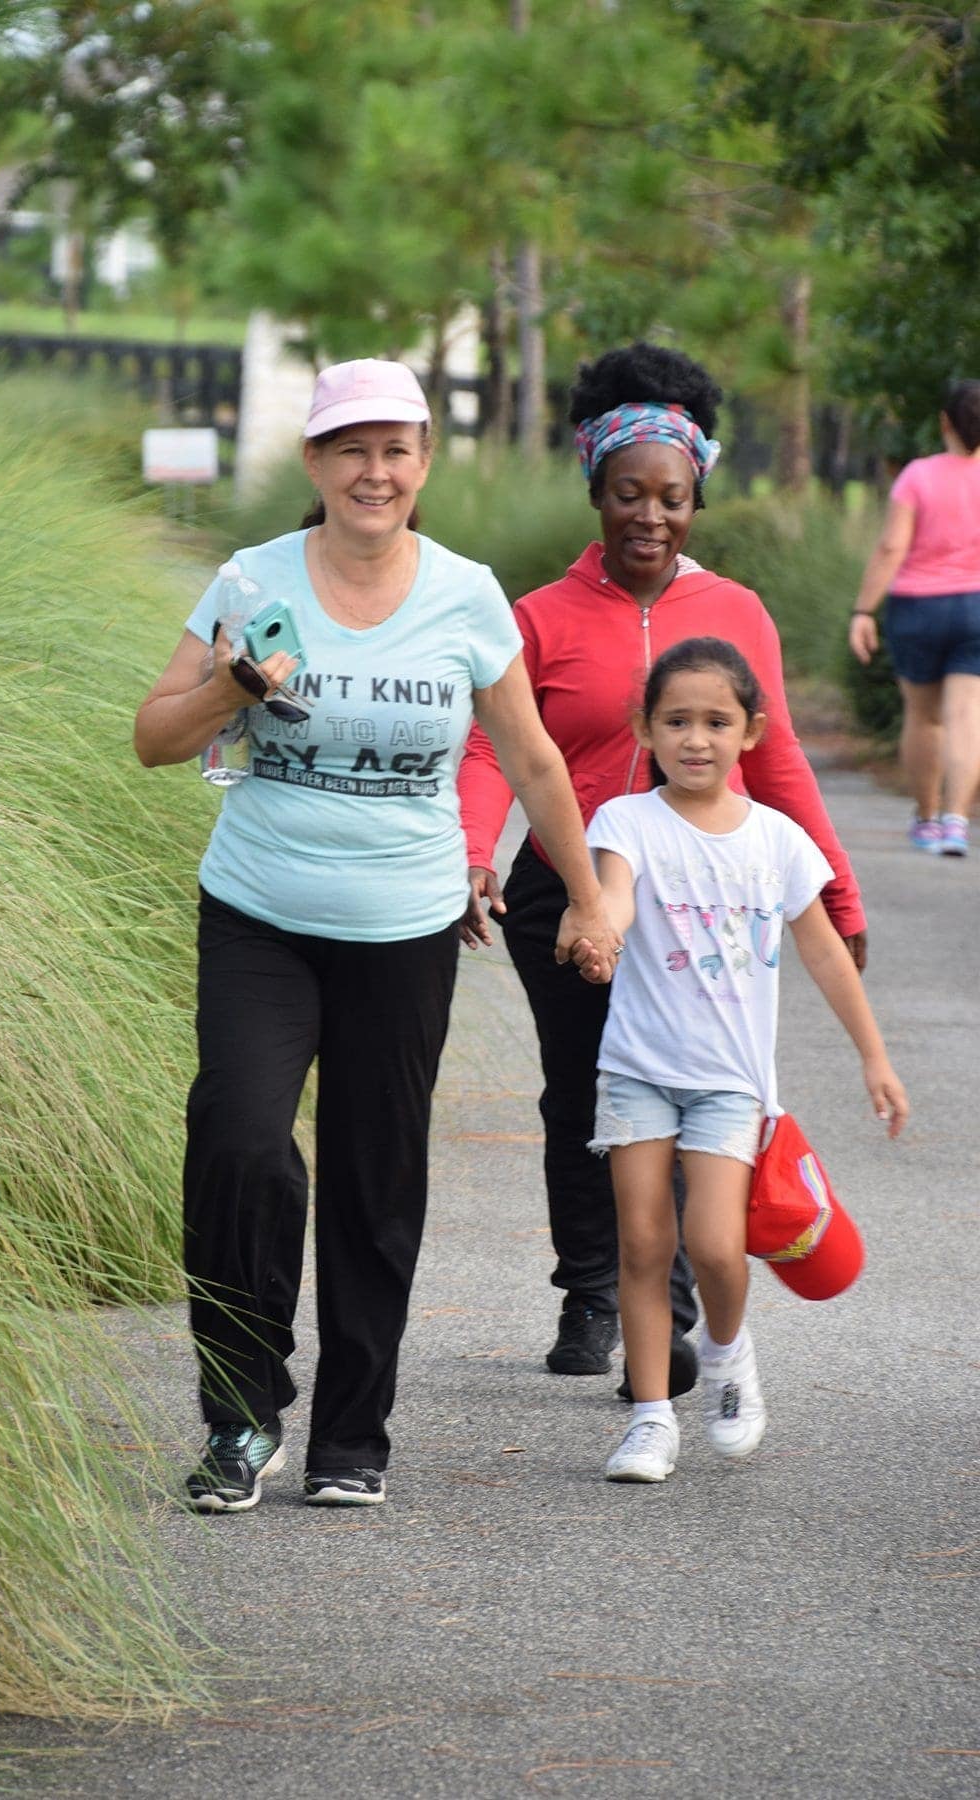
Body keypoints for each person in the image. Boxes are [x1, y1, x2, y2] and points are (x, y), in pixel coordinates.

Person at [134, 358, 617, 1513]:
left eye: (396, 448)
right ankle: (242, 1419)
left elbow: (537, 758)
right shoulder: (250, 578)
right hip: (258, 914)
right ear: (314, 462)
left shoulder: (464, 594)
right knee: (241, 1141)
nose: (374, 470)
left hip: (402, 931)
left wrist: (591, 896)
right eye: (351, 448)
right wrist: (230, 690)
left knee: (374, 1174)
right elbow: (156, 735)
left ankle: (355, 1431)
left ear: (423, 464)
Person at [456, 342, 868, 1396]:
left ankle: (671, 1304)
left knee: (695, 1094)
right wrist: (472, 854)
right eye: (628, 495)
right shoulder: (540, 618)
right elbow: (492, 746)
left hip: (705, 895)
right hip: (573, 889)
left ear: (696, 500)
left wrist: (835, 892)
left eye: (672, 498)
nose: (649, 516)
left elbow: (775, 760)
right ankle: (594, 1288)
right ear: (595, 491)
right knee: (582, 1094)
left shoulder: (736, 613)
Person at [578, 637, 907, 1482]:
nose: (696, 739)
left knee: (717, 1245)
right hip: (639, 1070)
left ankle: (727, 1357)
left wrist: (874, 1058)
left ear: (751, 731)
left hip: (731, 1083)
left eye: (716, 721)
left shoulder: (779, 842)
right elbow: (613, 891)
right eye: (676, 721)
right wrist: (602, 928)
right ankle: (651, 1419)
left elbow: (828, 955)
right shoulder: (625, 822)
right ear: (644, 729)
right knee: (644, 1244)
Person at [848, 378, 980, 858]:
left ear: (944, 422)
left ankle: (925, 819)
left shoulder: (918, 476)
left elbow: (891, 547)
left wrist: (863, 609)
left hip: (918, 608)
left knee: (924, 717)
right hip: (977, 607)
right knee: (967, 717)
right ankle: (956, 822)